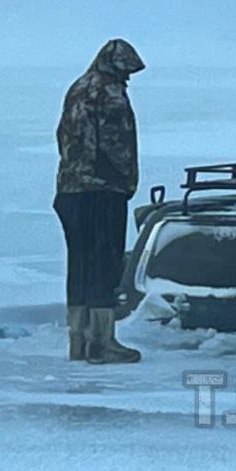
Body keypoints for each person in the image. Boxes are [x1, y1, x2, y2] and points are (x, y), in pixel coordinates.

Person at [53, 38, 146, 364]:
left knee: (79, 266)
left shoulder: (77, 89)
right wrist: (126, 181)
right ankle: (102, 342)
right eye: (127, 72)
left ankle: (77, 342)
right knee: (103, 265)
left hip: (70, 191)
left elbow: (61, 136)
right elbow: (116, 144)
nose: (128, 79)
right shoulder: (110, 95)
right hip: (103, 191)